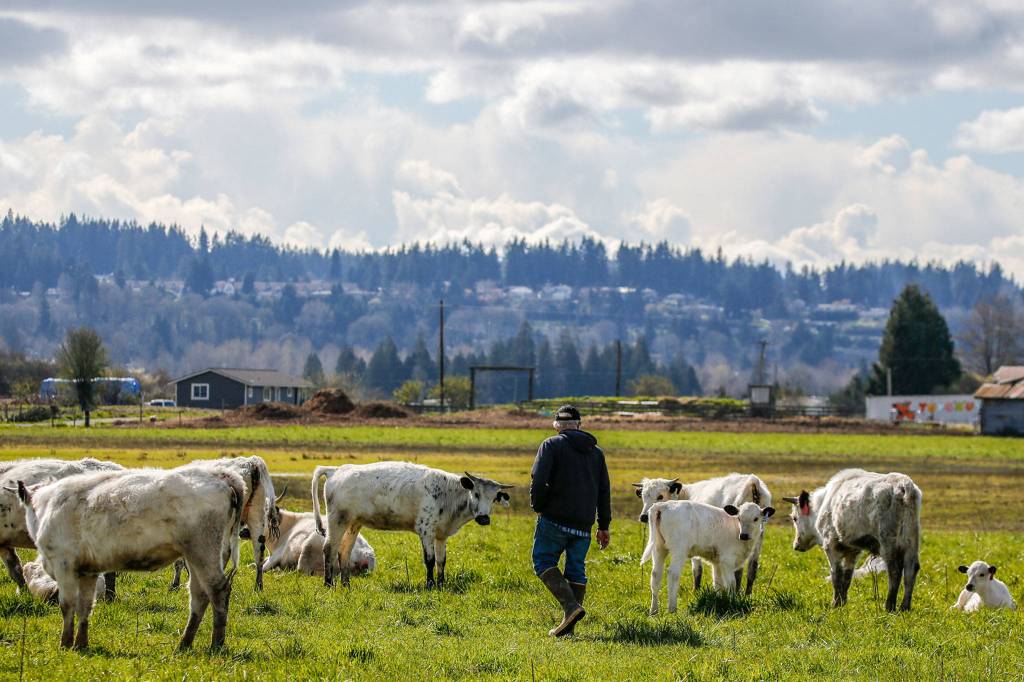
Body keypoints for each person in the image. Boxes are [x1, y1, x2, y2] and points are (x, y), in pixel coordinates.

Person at [530, 404, 611, 637]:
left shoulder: (551, 445)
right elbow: (604, 491)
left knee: (542, 560)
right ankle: (568, 627)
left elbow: (538, 479)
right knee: (576, 569)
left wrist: (538, 506)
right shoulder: (597, 453)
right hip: (584, 525)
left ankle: (570, 607)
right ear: (579, 425)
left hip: (554, 519)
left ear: (557, 426)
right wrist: (603, 525)